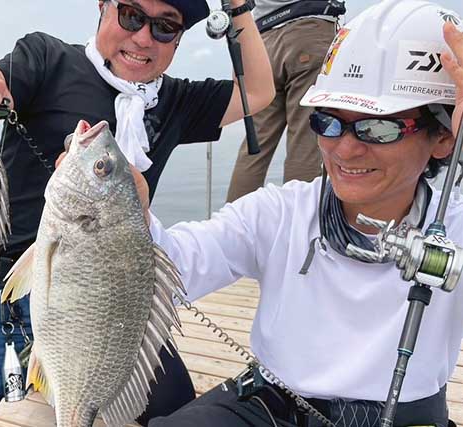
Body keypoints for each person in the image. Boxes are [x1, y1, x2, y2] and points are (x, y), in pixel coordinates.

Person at [0, 1, 274, 426]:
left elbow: (260, 92)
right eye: (132, 15)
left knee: (178, 406)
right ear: (103, 7)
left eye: (164, 28)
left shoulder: (174, 100)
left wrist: (239, 8)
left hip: (109, 299)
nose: (142, 38)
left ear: (178, 40)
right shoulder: (47, 58)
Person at [131, 1, 460, 426]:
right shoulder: (281, 211)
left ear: (444, 140)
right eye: (328, 121)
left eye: (379, 127)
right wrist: (126, 212)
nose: (345, 148)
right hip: (270, 402)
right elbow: (172, 264)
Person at [226, 0, 345, 202]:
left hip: (261, 40)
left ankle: (231, 224)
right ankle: (300, 226)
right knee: (305, 140)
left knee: (255, 146)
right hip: (309, 27)